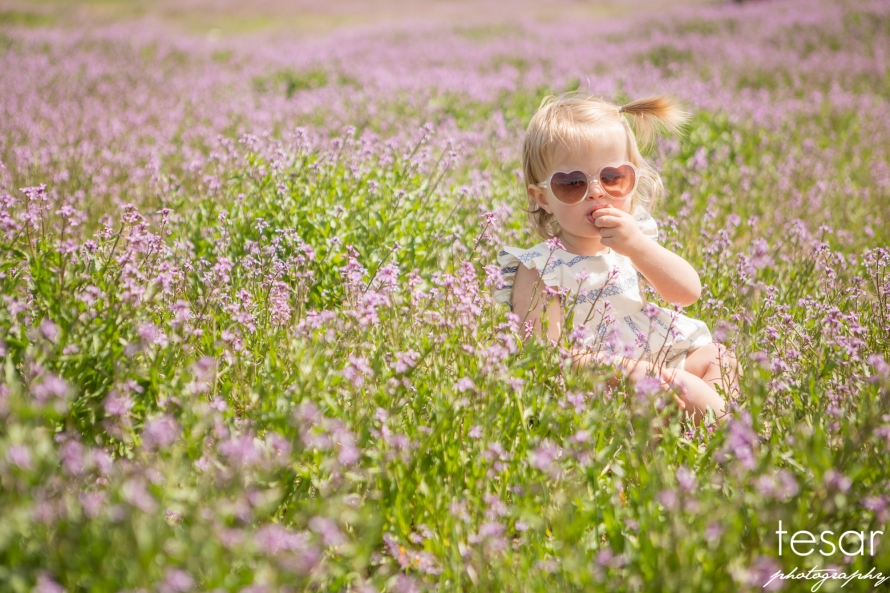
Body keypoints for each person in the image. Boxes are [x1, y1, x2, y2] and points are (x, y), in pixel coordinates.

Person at [494, 92, 738, 423]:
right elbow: (543, 355)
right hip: (603, 384)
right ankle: (738, 439)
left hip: (654, 356)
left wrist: (637, 246)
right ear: (543, 198)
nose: (596, 192)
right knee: (684, 386)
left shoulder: (632, 243)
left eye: (612, 178)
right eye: (573, 183)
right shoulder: (541, 268)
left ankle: (706, 429)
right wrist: (625, 372)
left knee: (720, 359)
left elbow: (687, 293)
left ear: (632, 181)